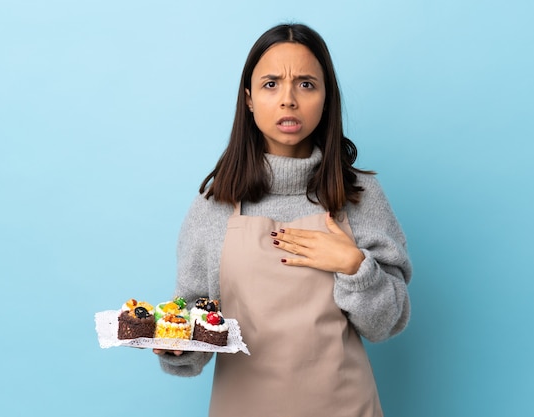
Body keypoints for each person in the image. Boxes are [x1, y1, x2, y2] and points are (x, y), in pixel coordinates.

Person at [153, 23, 412, 417]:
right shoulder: (214, 204)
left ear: (327, 99)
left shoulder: (359, 195)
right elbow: (192, 323)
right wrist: (177, 345)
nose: (288, 100)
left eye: (306, 84)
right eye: (271, 84)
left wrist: (355, 267)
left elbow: (387, 323)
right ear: (250, 99)